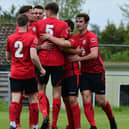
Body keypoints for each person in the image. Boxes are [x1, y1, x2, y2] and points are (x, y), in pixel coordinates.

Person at [68, 13, 117, 129]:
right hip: (84, 73)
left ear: (86, 23)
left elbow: (94, 55)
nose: (78, 24)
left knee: (101, 101)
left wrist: (78, 58)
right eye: (77, 21)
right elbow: (67, 46)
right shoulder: (75, 38)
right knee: (86, 97)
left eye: (81, 21)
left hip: (97, 72)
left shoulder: (91, 37)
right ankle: (93, 125)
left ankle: (111, 119)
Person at [6, 14, 46, 129]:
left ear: (17, 24)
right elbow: (33, 56)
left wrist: (14, 60)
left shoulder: (10, 38)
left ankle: (13, 123)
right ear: (28, 24)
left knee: (15, 100)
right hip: (28, 74)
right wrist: (41, 68)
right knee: (33, 99)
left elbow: (8, 56)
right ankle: (34, 126)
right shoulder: (32, 37)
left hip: (15, 73)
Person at [40, 19, 81, 129]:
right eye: (66, 31)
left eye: (70, 31)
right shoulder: (59, 38)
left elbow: (63, 47)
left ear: (73, 31)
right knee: (65, 99)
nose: (68, 33)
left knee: (72, 99)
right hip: (62, 71)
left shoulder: (73, 39)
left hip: (72, 72)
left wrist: (49, 37)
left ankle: (77, 126)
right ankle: (70, 125)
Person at [36, 2, 68, 129]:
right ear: (57, 11)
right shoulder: (63, 24)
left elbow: (34, 43)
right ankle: (54, 123)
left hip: (43, 61)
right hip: (58, 62)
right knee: (56, 92)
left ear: (47, 10)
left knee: (41, 89)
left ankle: (45, 115)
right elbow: (63, 42)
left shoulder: (39, 24)